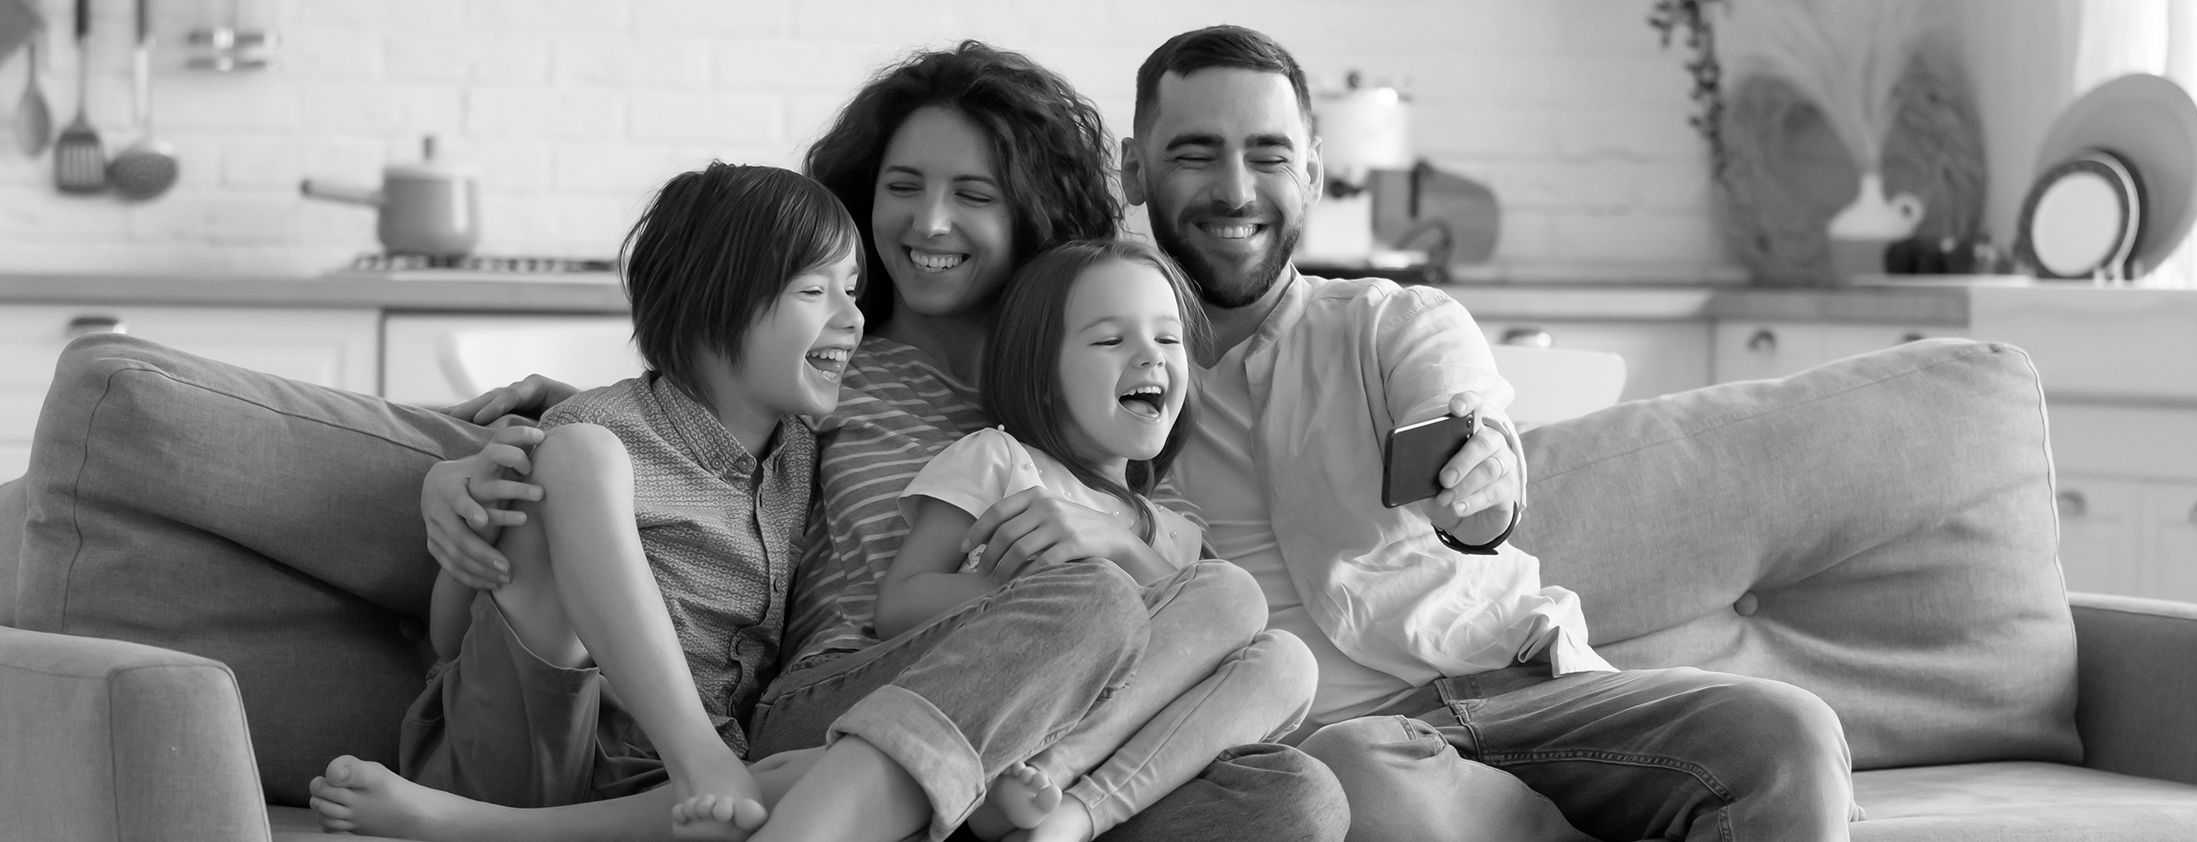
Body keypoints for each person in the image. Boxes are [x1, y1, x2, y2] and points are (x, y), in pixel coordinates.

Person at [370, 42, 1345, 842]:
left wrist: (1110, 550)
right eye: (903, 185)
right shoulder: (836, 371)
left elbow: (1165, 572)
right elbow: (684, 417)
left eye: (974, 193)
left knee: (1292, 795)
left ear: (1033, 211)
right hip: (846, 691)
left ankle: (1020, 801)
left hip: (1040, 716)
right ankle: (859, 798)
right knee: (1087, 609)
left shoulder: (1072, 391)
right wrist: (475, 460)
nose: (928, 220)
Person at [1117, 25, 1858, 842]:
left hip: (1527, 690)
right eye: (1195, 154)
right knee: (1355, 779)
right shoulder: (1097, 373)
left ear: (1314, 170)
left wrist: (1484, 482)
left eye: (1268, 155)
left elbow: (1470, 448)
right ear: (1134, 169)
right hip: (1355, 753)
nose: (1236, 190)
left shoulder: (1394, 323)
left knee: (1788, 731)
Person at [315, 161, 863, 840]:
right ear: (709, 304)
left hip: (667, 790)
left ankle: (471, 828)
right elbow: (451, 637)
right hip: (529, 739)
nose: (852, 315)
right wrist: (468, 532)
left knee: (859, 763)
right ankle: (692, 761)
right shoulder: (592, 433)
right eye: (816, 289)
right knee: (581, 453)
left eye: (853, 288)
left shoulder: (805, 459)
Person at [849, 238, 1315, 842]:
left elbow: (1214, 681)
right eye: (1109, 339)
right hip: (998, 709)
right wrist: (1029, 598)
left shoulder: (1181, 539)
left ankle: (1067, 814)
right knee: (1220, 596)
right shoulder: (1002, 462)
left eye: (1168, 339)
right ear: (1042, 375)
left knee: (1286, 656)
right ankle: (1032, 777)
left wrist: (1120, 547)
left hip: (1115, 765)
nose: (1150, 357)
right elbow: (897, 607)